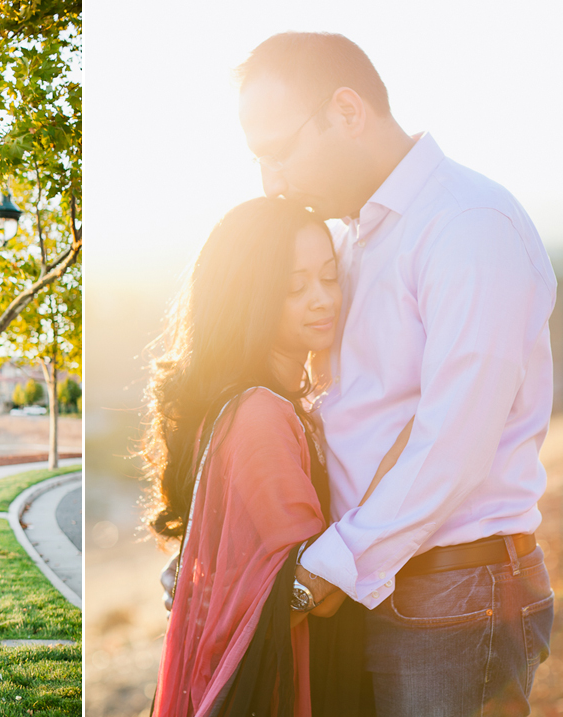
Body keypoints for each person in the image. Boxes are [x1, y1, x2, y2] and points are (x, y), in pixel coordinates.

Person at [235, 32, 555, 715]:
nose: (273, 181)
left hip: (453, 600)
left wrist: (317, 574)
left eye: (279, 150)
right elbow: (348, 418)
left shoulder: (466, 225)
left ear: (347, 112)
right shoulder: (354, 238)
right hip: (374, 584)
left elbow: (454, 441)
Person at [146, 197, 349, 716]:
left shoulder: (244, 401)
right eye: (294, 288)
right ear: (249, 298)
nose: (323, 300)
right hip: (277, 683)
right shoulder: (262, 414)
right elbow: (316, 591)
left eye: (330, 277)